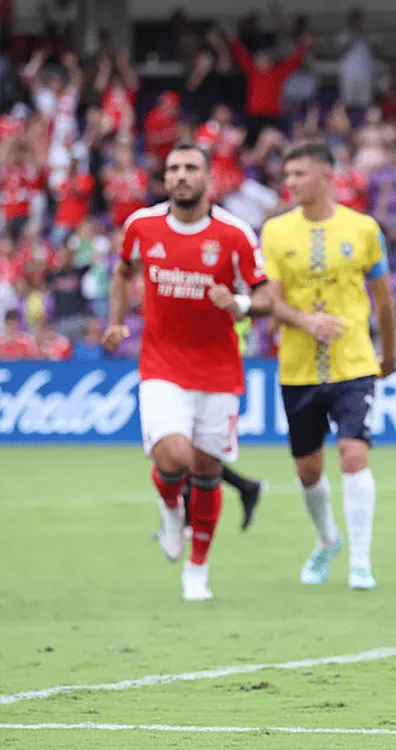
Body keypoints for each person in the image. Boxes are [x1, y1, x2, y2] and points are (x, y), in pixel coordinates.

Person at [103, 143, 274, 601]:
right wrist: (116, 321)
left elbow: (266, 297)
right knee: (173, 455)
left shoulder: (235, 234)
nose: (181, 175)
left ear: (208, 178)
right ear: (165, 178)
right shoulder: (141, 226)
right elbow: (122, 273)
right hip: (161, 364)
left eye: (190, 168)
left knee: (207, 468)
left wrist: (237, 304)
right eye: (173, 168)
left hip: (219, 371)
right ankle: (168, 508)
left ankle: (197, 568)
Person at [261, 140, 396, 592]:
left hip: (354, 362)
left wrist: (390, 354)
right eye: (287, 176)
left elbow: (383, 299)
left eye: (298, 174)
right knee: (308, 470)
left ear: (325, 176)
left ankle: (361, 562)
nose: (290, 183)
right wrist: (305, 321)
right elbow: (270, 300)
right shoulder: (276, 232)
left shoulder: (363, 229)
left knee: (354, 453)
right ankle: (328, 539)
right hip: (297, 367)